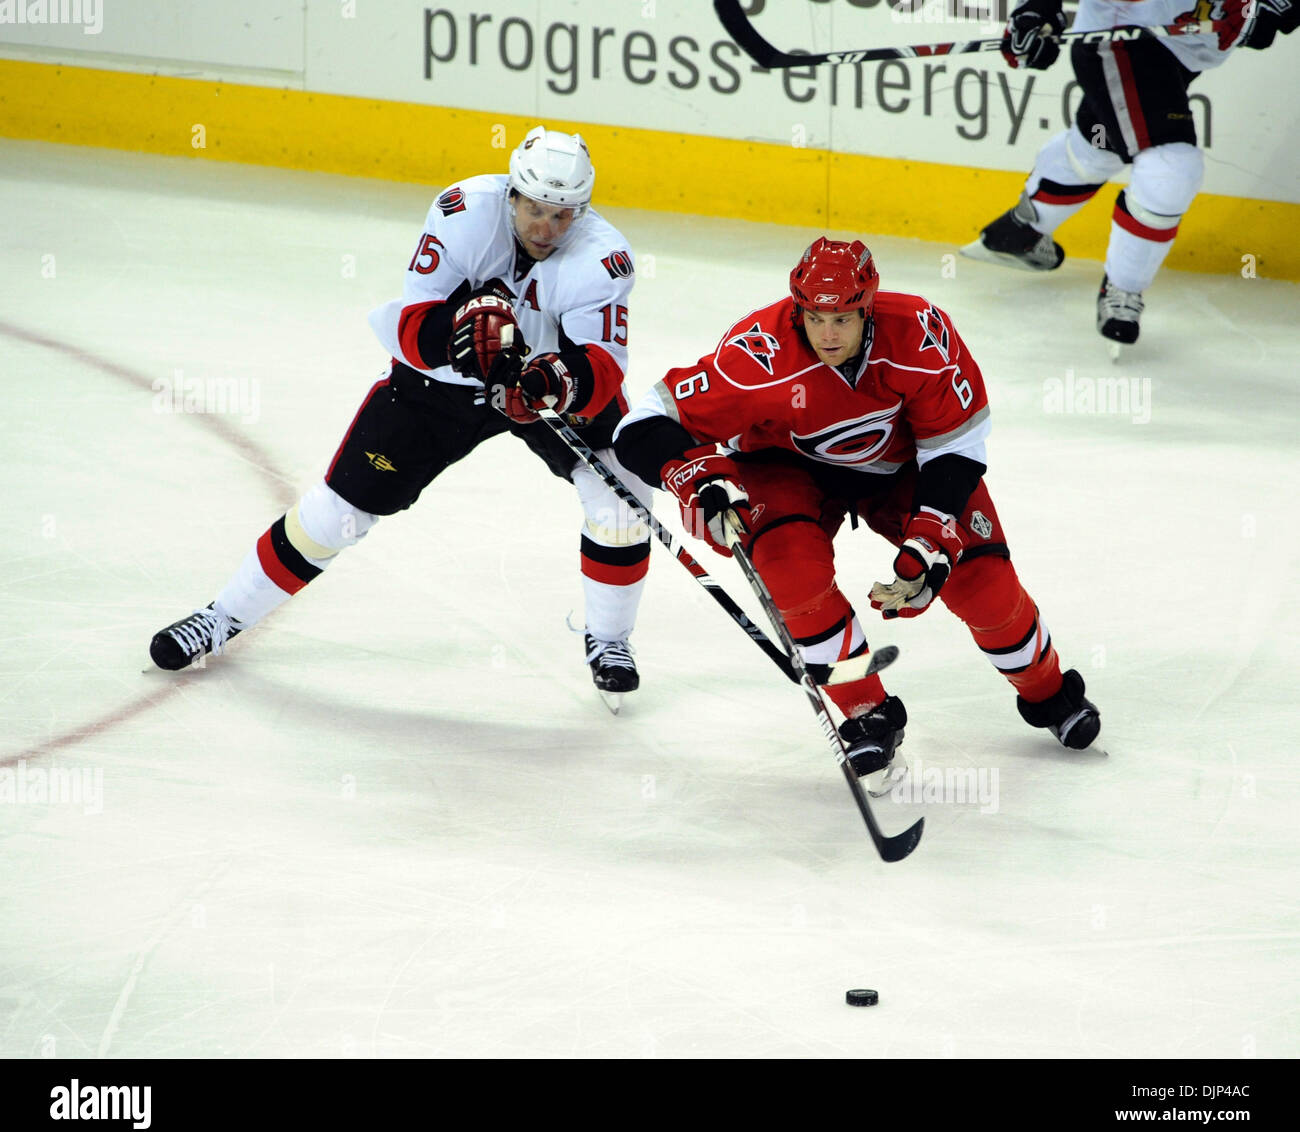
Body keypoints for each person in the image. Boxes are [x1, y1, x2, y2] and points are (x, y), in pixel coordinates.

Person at [149, 126, 654, 703]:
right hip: (438, 389)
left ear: (581, 212)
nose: (547, 228)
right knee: (335, 515)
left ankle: (610, 638)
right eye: (536, 209)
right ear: (512, 194)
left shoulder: (603, 257)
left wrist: (556, 383)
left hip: (541, 389)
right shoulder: (463, 211)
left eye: (563, 215)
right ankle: (221, 618)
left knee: (624, 500)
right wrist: (453, 337)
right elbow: (415, 319)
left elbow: (602, 368)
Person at [613, 238, 1100, 778]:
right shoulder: (759, 351)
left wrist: (932, 535)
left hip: (904, 467)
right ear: (798, 309)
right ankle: (865, 710)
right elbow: (643, 423)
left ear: (867, 307)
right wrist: (692, 476)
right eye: (815, 317)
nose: (827, 334)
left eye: (843, 318)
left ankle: (1048, 691)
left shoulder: (920, 334)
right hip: (785, 466)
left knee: (982, 584)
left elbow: (955, 447)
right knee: (791, 574)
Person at [964, 0, 1297, 345]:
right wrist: (1036, 8)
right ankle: (1124, 288)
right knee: (1171, 167)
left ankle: (1022, 228)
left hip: (1185, 45)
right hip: (1124, 37)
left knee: (1098, 149)